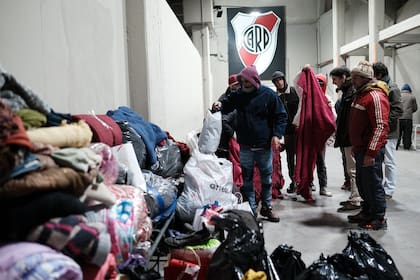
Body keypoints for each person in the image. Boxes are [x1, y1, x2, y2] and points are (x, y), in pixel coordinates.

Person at [212, 65, 287, 222]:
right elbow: (227, 104)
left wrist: (277, 135)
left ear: (255, 81)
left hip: (264, 146)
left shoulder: (269, 95)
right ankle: (252, 210)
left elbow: (281, 115)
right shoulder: (239, 95)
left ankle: (267, 208)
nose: (244, 85)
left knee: (267, 179)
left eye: (247, 82)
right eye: (242, 82)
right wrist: (219, 105)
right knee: (247, 180)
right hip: (245, 146)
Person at [347, 60, 389, 230]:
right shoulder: (360, 94)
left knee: (373, 183)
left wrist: (371, 153)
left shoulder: (375, 96)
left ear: (364, 78)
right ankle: (368, 211)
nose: (353, 81)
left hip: (370, 150)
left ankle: (379, 217)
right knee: (363, 183)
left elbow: (380, 126)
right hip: (360, 148)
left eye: (355, 78)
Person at [330, 66, 363, 211]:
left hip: (351, 138)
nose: (333, 82)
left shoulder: (351, 93)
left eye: (335, 79)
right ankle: (354, 196)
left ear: (344, 77)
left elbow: (353, 119)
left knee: (353, 170)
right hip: (347, 137)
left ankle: (356, 199)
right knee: (351, 169)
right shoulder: (347, 92)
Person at [372, 62, 403, 199]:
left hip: (390, 132)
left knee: (389, 161)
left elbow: (398, 109)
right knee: (381, 160)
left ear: (378, 74)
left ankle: (389, 189)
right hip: (382, 129)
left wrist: (384, 122)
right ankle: (383, 187)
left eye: (373, 75)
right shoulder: (380, 86)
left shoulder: (392, 88)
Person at [271, 71, 299, 193]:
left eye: (280, 80)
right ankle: (294, 182)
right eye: (276, 81)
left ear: (284, 79)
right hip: (287, 132)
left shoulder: (295, 92)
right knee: (290, 158)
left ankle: (308, 182)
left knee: (302, 156)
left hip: (299, 129)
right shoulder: (275, 96)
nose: (279, 82)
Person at [313, 73, 332, 197]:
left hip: (321, 137)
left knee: (321, 163)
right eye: (317, 84)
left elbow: (332, 119)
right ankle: (308, 184)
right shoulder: (308, 98)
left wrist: (330, 137)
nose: (319, 87)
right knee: (307, 163)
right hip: (309, 136)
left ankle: (323, 187)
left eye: (321, 84)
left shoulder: (328, 99)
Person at [215, 74, 240, 159]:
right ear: (231, 86)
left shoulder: (241, 96)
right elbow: (222, 120)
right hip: (226, 139)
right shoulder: (224, 98)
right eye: (236, 85)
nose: (238, 86)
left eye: (239, 84)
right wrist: (232, 134)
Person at [397, 83, 418, 150]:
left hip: (399, 118)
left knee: (398, 133)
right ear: (409, 90)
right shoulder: (412, 97)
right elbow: (415, 108)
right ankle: (406, 147)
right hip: (408, 118)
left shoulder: (398, 96)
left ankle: (396, 146)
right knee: (407, 133)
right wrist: (409, 112)